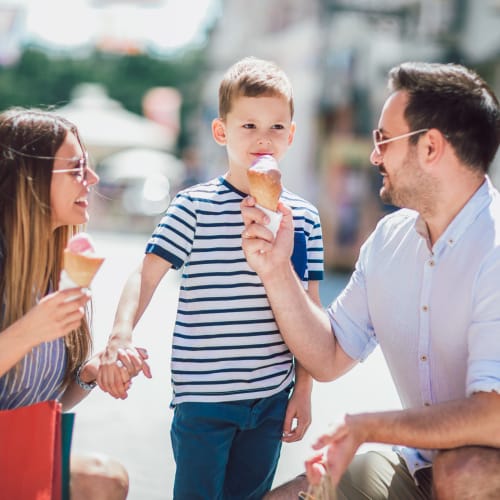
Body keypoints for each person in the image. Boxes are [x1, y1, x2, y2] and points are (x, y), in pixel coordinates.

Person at [240, 61, 500, 499]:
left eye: (383, 140)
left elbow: (493, 416)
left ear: (431, 147)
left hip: (476, 469)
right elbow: (328, 356)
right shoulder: (389, 239)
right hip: (417, 463)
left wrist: (368, 427)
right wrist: (275, 267)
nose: (373, 155)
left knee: (463, 472)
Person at [97, 56, 325, 499]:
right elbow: (145, 274)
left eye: (277, 127)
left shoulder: (305, 219)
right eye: (249, 126)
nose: (264, 139)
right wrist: (120, 334)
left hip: (271, 397)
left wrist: (304, 389)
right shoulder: (193, 207)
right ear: (222, 132)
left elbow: (310, 309)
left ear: (292, 135)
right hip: (202, 399)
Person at [0, 107, 148, 499]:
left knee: (106, 479)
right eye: (77, 168)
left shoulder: (54, 271)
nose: (94, 180)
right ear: (29, 176)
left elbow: (40, 409)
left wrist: (90, 374)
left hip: (18, 454)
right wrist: (29, 331)